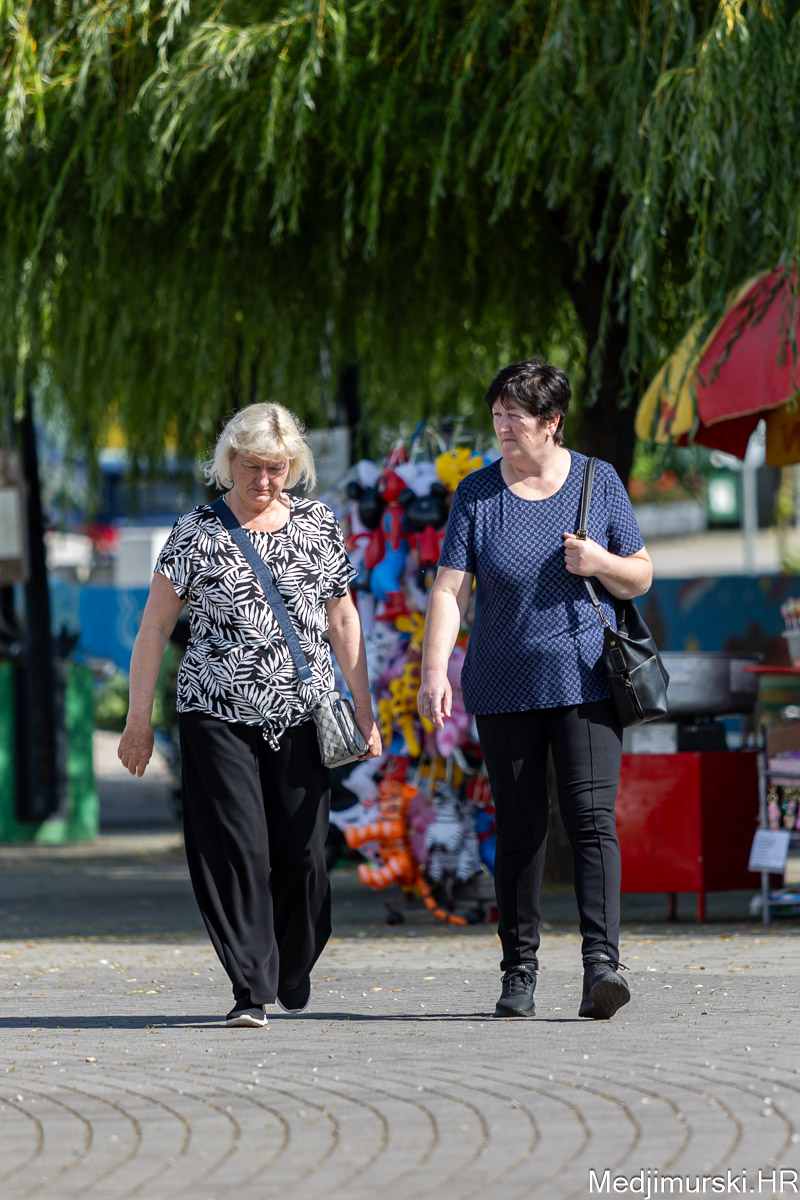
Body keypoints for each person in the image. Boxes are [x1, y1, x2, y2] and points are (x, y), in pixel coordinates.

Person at [118, 403, 381, 1028]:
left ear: (293, 466)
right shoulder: (196, 532)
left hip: (304, 710)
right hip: (216, 712)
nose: (264, 480)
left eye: (277, 468)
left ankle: (293, 960)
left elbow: (343, 619)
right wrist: (137, 720)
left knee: (306, 855)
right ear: (228, 461)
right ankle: (250, 987)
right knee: (237, 850)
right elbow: (154, 628)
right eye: (252, 466)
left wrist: (365, 711)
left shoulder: (319, 524)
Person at [418, 359, 652, 1020]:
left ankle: (602, 966)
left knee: (590, 820)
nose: (502, 429)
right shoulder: (476, 493)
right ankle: (518, 972)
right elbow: (450, 590)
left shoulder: (597, 480)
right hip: (502, 683)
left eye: (514, 418)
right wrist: (434, 672)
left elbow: (640, 574)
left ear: (551, 422)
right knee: (519, 827)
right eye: (496, 417)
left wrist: (599, 562)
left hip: (586, 681)